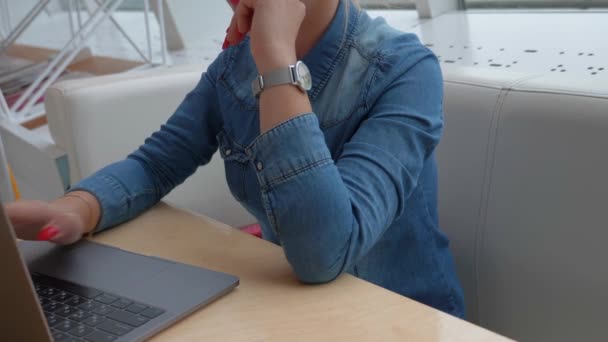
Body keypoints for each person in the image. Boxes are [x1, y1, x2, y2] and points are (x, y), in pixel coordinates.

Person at [6, 0, 465, 317]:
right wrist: (73, 210)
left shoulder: (405, 71)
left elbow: (325, 254)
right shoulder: (232, 70)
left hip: (398, 318)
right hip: (291, 311)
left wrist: (276, 61)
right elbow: (156, 164)